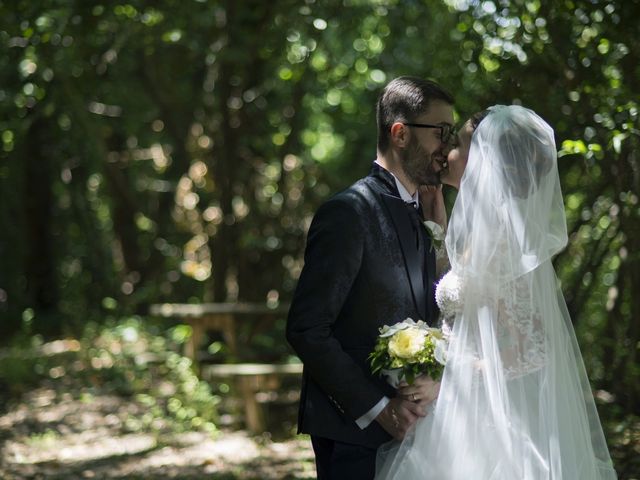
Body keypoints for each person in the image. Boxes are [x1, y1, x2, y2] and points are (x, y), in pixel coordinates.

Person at [376, 105, 618, 479]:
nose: (446, 151)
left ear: (484, 160)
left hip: (484, 421)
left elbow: (533, 348)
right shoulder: (485, 229)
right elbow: (470, 294)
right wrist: (437, 223)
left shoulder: (504, 239)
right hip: (459, 414)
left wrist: (448, 375)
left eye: (456, 143)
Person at [286, 76, 455, 479]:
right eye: (440, 132)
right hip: (354, 437)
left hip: (415, 433)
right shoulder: (349, 212)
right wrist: (381, 411)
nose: (447, 146)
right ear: (400, 134)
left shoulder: (424, 213)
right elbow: (307, 328)